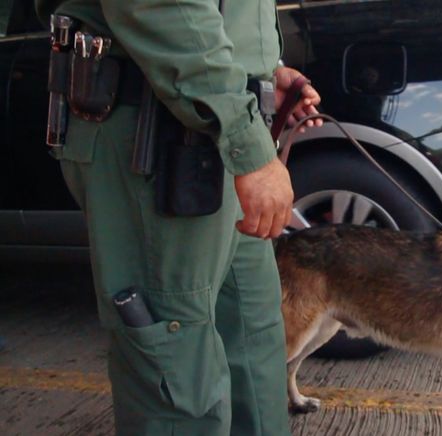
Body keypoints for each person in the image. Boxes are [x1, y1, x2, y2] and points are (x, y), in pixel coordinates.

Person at [33, 1, 322, 435]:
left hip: (212, 123)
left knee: (252, 340)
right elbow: (165, 9)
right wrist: (250, 147)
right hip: (158, 139)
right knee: (175, 365)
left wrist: (260, 67)